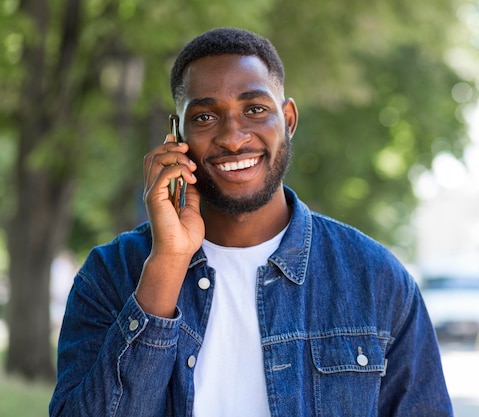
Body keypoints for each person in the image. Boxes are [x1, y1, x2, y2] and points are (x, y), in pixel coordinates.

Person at [49, 27, 453, 417]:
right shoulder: (109, 275)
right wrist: (168, 261)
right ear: (176, 136)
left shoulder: (375, 278)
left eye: (255, 110)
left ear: (288, 120)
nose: (233, 137)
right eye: (205, 117)